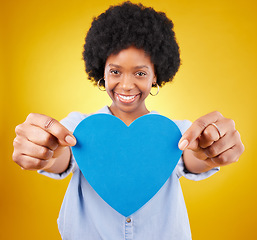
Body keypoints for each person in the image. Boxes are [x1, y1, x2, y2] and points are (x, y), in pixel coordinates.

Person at [12, 1, 244, 239]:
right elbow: (62, 156)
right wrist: (45, 153)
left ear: (156, 76)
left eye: (140, 73)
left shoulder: (173, 132)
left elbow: (193, 157)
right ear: (102, 71)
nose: (125, 84)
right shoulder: (80, 127)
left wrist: (209, 150)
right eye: (115, 71)